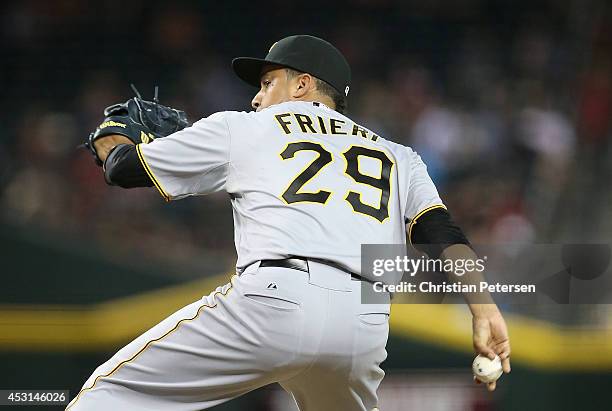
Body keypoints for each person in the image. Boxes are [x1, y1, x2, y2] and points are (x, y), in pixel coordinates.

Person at [67, 34, 510, 411]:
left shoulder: (245, 128)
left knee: (110, 394)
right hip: (364, 323)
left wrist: (112, 137)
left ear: (303, 85)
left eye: (266, 82)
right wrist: (484, 308)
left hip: (273, 301)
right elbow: (440, 235)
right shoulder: (398, 155)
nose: (257, 97)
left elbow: (124, 170)